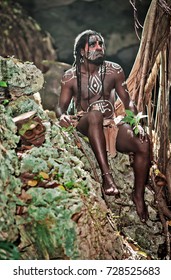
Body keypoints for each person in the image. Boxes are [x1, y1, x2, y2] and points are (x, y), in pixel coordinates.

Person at [55, 29, 151, 222]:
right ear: (82, 51)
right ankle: (107, 177)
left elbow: (128, 102)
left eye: (101, 44)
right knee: (94, 115)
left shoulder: (114, 70)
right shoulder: (70, 77)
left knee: (143, 143)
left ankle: (138, 195)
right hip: (86, 122)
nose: (99, 47)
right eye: (93, 44)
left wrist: (136, 122)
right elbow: (60, 108)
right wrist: (63, 116)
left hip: (111, 123)